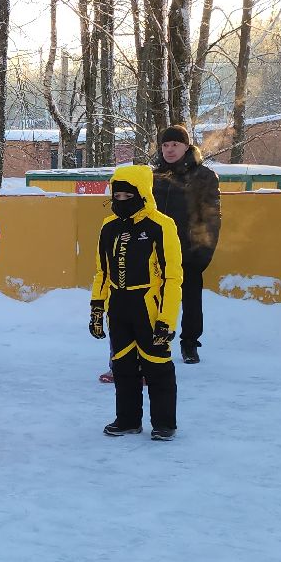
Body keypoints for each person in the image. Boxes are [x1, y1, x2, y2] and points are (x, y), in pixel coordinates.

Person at [91, 164, 183, 441]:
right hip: (118, 306)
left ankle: (164, 423)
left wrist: (166, 319)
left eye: (127, 196)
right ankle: (128, 419)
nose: (121, 202)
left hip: (149, 306)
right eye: (116, 197)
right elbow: (102, 271)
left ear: (142, 194)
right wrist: (97, 306)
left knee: (157, 366)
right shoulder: (108, 227)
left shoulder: (161, 226)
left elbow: (172, 277)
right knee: (122, 365)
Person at [150, 126, 222, 364]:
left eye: (175, 145)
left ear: (186, 147)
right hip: (156, 252)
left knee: (191, 301)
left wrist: (202, 254)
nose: (170, 150)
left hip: (189, 252)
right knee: (155, 298)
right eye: (165, 145)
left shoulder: (204, 177)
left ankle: (190, 343)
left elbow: (211, 218)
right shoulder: (153, 177)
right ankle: (157, 339)